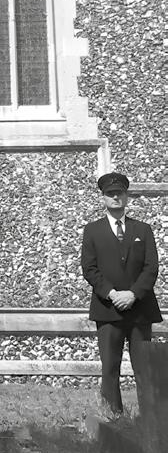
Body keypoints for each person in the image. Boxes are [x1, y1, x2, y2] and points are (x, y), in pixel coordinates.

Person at [81, 172, 162, 415]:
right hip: (108, 309)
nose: (115, 197)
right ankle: (113, 418)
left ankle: (150, 419)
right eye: (110, 194)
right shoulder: (93, 230)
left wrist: (133, 294)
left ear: (126, 197)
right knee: (110, 367)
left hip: (140, 310)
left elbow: (151, 267)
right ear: (103, 197)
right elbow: (89, 268)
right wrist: (112, 293)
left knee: (145, 368)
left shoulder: (143, 229)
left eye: (120, 193)